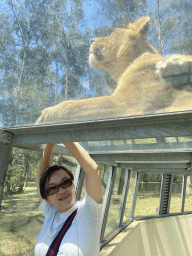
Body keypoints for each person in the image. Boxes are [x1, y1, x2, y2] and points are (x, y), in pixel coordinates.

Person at [35, 142, 103, 256]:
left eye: (66, 182)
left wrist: (66, 138)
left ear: (73, 184)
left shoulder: (89, 211)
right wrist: (50, 145)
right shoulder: (51, 213)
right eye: (52, 189)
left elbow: (93, 171)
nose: (61, 190)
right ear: (46, 198)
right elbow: (42, 179)